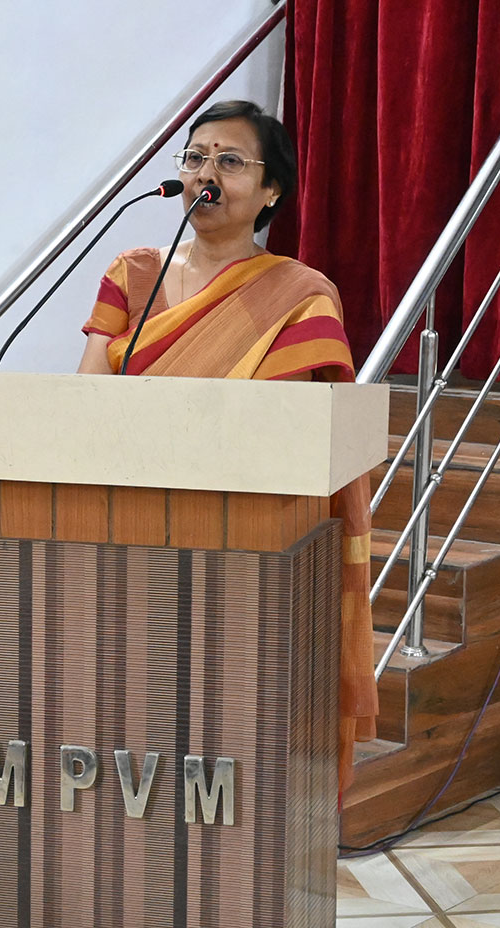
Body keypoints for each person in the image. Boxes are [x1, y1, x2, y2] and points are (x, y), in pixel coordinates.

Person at [77, 99, 375, 803]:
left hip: (239, 540)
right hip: (123, 526)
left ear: (271, 191)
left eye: (230, 161)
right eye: (195, 157)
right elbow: (86, 401)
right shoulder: (133, 274)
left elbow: (283, 433)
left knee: (221, 732)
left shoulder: (300, 296)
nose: (205, 173)